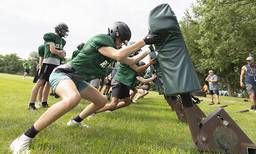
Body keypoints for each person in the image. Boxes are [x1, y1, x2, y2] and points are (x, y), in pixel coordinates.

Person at [10, 21, 159, 153]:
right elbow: (120, 55)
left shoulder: (113, 50)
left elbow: (130, 60)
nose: (121, 43)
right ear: (115, 34)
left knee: (101, 100)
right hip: (64, 73)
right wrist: (144, 40)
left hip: (77, 79)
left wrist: (149, 51)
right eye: (121, 40)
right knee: (72, 99)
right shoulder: (103, 40)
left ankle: (75, 121)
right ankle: (23, 139)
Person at [27, 23, 68, 111]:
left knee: (49, 84)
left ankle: (44, 102)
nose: (65, 33)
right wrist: (61, 53)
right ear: (59, 30)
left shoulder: (62, 41)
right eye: (64, 31)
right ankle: (31, 103)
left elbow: (61, 53)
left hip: (56, 64)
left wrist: (61, 53)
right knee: (40, 83)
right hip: (48, 62)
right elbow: (52, 50)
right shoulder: (50, 36)